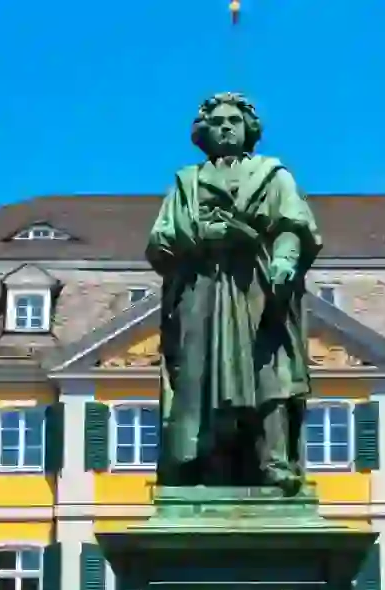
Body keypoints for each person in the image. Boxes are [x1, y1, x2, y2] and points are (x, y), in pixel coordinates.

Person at [146, 92, 323, 495]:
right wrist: (201, 235)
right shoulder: (185, 182)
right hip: (203, 291)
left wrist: (285, 261)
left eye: (234, 121)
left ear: (249, 129)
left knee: (271, 372)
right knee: (202, 377)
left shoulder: (273, 175)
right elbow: (160, 241)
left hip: (259, 286)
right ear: (203, 132)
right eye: (218, 121)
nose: (226, 127)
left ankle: (274, 463)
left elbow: (292, 225)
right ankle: (211, 464)